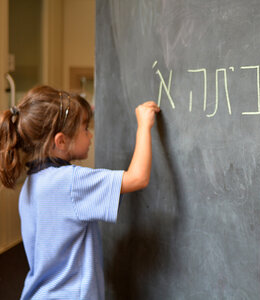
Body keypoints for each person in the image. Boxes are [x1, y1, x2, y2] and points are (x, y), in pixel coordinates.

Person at [0, 85, 160, 300]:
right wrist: (143, 125)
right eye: (85, 128)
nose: (90, 134)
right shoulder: (70, 181)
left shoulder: (32, 185)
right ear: (61, 141)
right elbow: (138, 177)